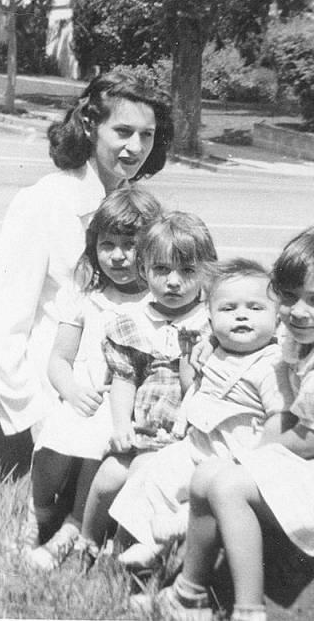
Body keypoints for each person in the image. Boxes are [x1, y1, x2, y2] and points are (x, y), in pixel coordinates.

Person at [132, 226, 314, 621]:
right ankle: (188, 596)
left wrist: (245, 460)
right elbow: (259, 331)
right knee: (206, 475)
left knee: (228, 484)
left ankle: (248, 610)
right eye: (288, 297)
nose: (299, 310)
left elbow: (309, 442)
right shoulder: (309, 327)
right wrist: (211, 341)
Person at [0, 69, 173, 482]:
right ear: (89, 125)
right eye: (123, 131)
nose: (136, 147)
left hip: (113, 414)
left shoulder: (136, 209)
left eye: (147, 135)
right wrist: (33, 418)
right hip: (46, 413)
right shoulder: (44, 202)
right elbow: (2, 323)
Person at [109, 259, 291, 571]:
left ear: (277, 318)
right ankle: (147, 539)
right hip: (199, 443)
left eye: (255, 308)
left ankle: (177, 526)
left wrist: (258, 460)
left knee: (206, 492)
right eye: (228, 308)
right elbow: (194, 390)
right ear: (210, 318)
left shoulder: (272, 364)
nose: (241, 315)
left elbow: (279, 416)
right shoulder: (214, 351)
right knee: (156, 472)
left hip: (237, 452)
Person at [24, 186, 164, 570]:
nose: (117, 256)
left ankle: (73, 527)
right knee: (51, 448)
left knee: (98, 457)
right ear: (94, 245)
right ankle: (39, 514)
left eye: (130, 245)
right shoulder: (86, 294)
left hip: (125, 408)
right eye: (107, 244)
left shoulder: (155, 302)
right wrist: (71, 391)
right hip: (81, 396)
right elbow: (59, 359)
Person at [76, 211, 217, 562]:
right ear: (143, 270)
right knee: (109, 476)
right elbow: (124, 378)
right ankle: (87, 540)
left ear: (206, 273)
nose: (174, 282)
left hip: (184, 435)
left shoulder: (210, 324)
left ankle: (124, 549)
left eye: (187, 271)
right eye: (162, 270)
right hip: (143, 429)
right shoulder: (135, 324)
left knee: (143, 473)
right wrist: (121, 425)